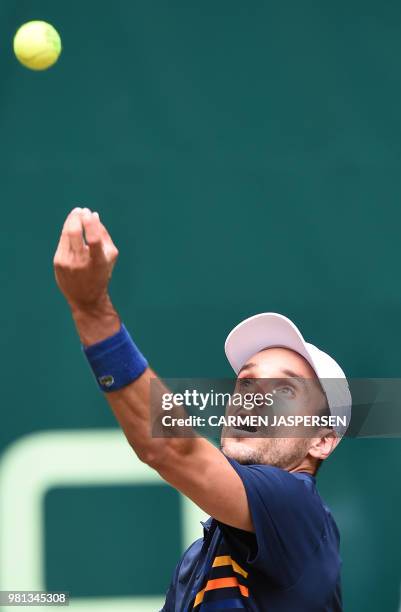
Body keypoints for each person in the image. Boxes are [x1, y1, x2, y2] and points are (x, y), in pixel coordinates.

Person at [53, 207, 352, 611]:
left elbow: (170, 448)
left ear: (322, 440)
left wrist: (92, 313)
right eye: (246, 382)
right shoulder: (198, 560)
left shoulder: (297, 509)